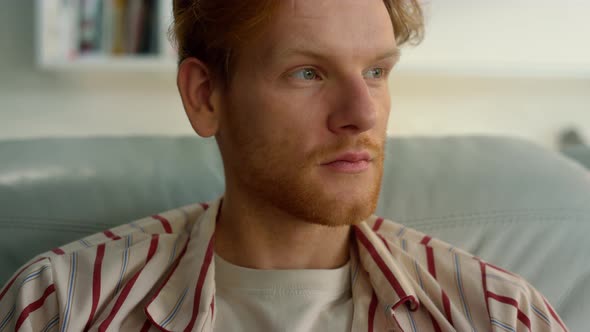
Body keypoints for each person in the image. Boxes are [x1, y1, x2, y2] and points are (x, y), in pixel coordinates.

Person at [0, 0, 569, 331]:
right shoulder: (58, 306)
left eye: (375, 72)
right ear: (205, 96)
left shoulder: (499, 315)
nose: (361, 114)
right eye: (308, 73)